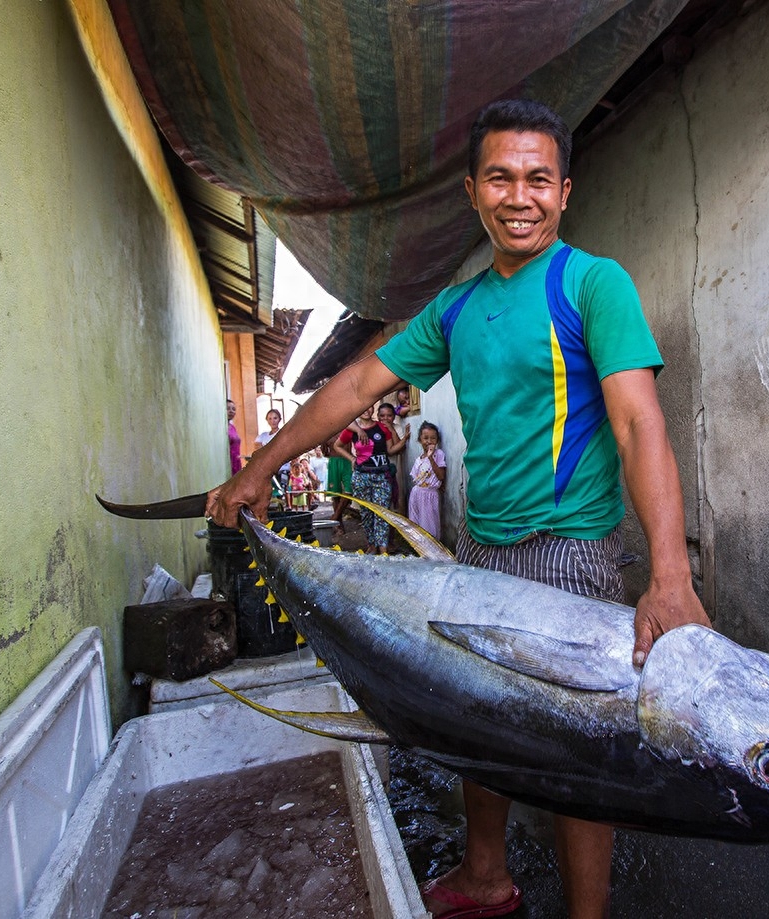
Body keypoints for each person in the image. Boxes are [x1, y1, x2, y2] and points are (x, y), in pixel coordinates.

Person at [205, 98, 708, 919]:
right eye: (501, 178)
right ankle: (485, 875)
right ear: (472, 190)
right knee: (476, 716)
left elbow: (638, 422)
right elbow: (358, 385)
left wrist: (669, 573)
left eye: (538, 179)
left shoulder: (591, 283)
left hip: (568, 551)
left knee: (576, 746)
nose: (521, 197)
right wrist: (262, 464)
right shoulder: (456, 307)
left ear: (565, 190)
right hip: (482, 545)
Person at [334, 403, 396, 554]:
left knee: (382, 512)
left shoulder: (382, 427)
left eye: (369, 407)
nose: (367, 410)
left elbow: (391, 450)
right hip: (361, 476)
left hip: (382, 475)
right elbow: (337, 446)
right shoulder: (352, 430)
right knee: (366, 513)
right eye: (362, 408)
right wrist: (352, 458)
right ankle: (372, 545)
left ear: (373, 408)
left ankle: (383, 547)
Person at [408, 422, 447, 541]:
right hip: (416, 493)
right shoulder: (418, 459)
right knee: (416, 521)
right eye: (425, 438)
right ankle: (418, 548)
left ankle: (431, 548)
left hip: (429, 495)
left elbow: (441, 476)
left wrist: (431, 458)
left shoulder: (438, 454)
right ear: (419, 440)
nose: (429, 441)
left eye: (433, 438)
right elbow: (415, 479)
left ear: (438, 440)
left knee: (429, 524)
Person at [377, 401, 410, 516]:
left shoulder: (397, 428)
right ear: (378, 416)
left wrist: (391, 430)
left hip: (393, 467)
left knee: (395, 496)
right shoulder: (375, 428)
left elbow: (398, 449)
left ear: (394, 417)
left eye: (389, 415)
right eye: (382, 416)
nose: (385, 418)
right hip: (378, 468)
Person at [226, 399, 242, 474]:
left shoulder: (232, 427)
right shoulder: (220, 429)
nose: (231, 411)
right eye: (228, 408)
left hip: (236, 463)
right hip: (227, 465)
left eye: (233, 409)